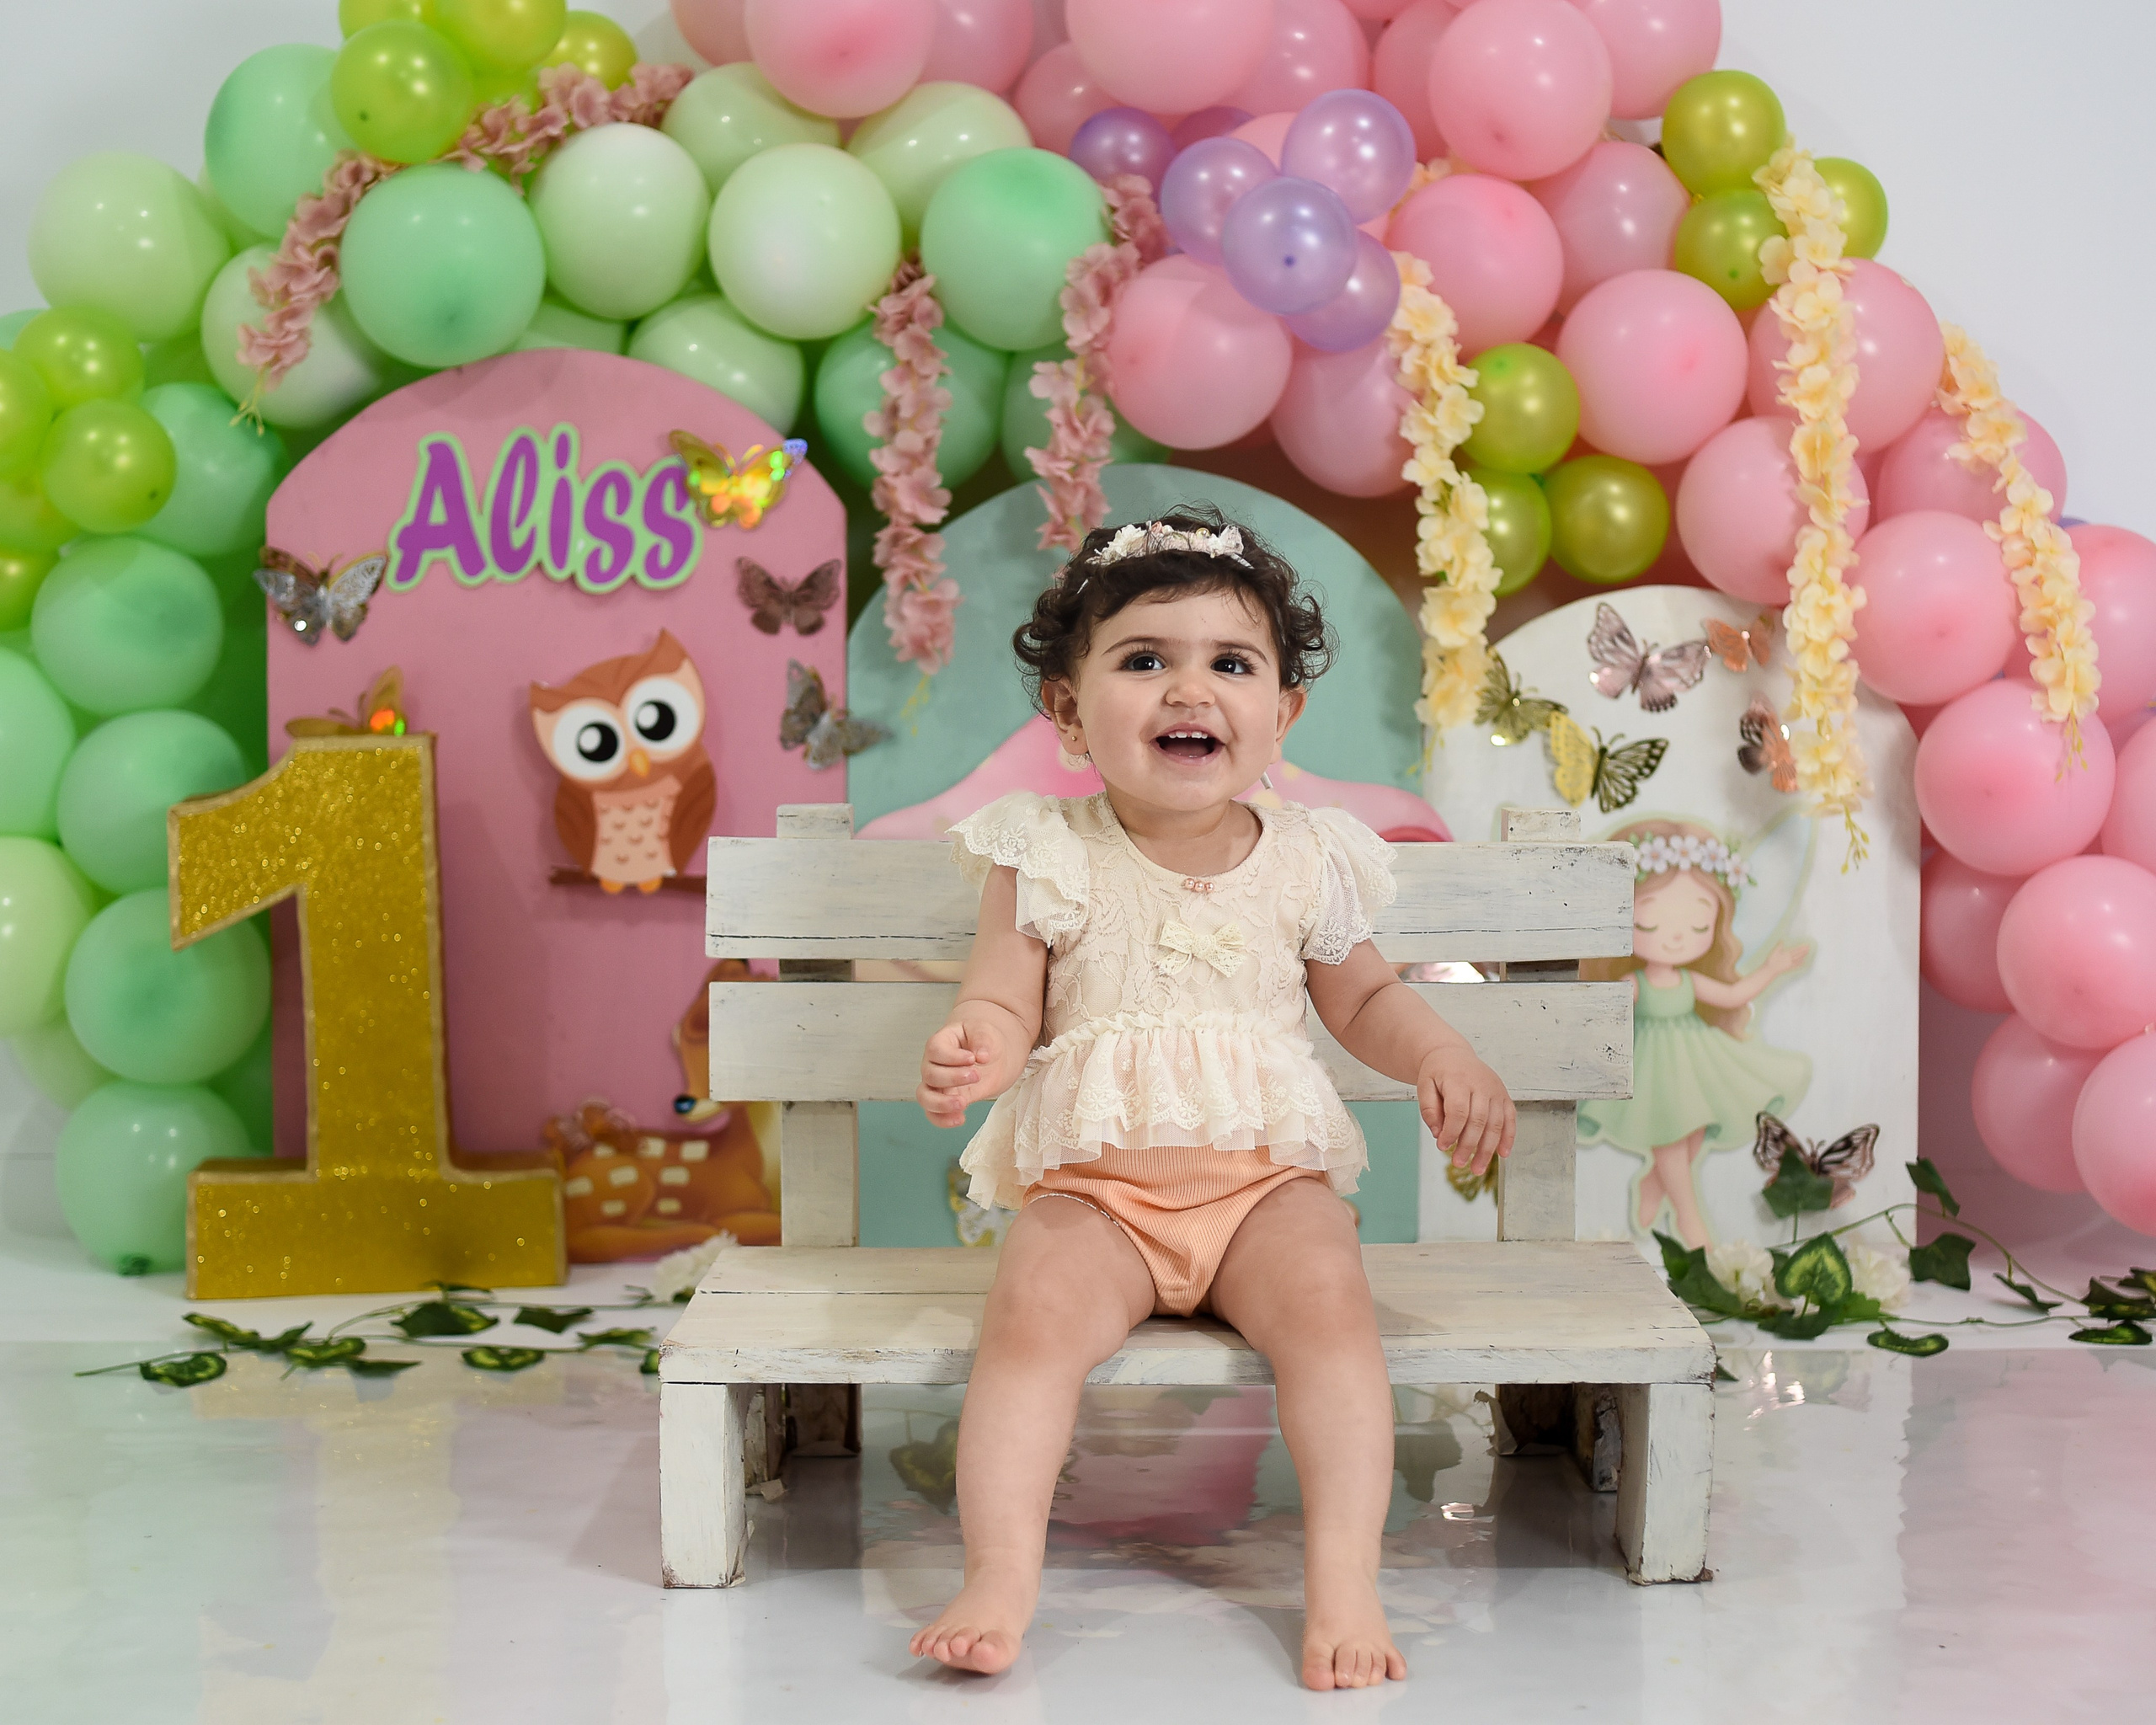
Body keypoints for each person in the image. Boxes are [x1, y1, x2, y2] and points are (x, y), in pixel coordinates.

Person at [910, 507, 1515, 1690]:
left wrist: (1440, 1051)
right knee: (1028, 1319)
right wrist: (972, 1049)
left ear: (1282, 713)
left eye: (1230, 664)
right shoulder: (1047, 851)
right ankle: (999, 1570)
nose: (1191, 690)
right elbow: (1002, 1001)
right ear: (1069, 712)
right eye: (1145, 660)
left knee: (1333, 1304)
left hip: (1261, 1192)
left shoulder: (1309, 857)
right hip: (1100, 1198)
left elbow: (1368, 999)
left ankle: (1342, 1579)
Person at [1577, 820, 1812, 1247]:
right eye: (1650, 923)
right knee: (1670, 1131)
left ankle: (1655, 1181)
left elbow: (1734, 993)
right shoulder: (1635, 982)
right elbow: (1601, 1008)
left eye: (1699, 926)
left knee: (1696, 1130)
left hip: (1696, 1059)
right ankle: (1690, 1219)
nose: (1676, 937)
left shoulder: (1689, 981)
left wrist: (1772, 969)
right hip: (1650, 1064)